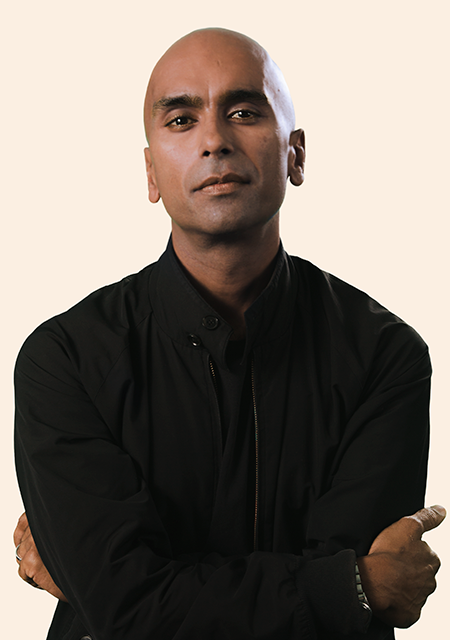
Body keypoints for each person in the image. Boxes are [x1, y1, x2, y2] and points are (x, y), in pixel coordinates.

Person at [14, 27, 444, 640]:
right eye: (181, 120)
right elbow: (128, 604)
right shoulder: (64, 360)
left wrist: (105, 589)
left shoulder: (385, 357)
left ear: (295, 154)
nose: (214, 140)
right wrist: (351, 587)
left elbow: (127, 605)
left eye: (244, 112)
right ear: (151, 172)